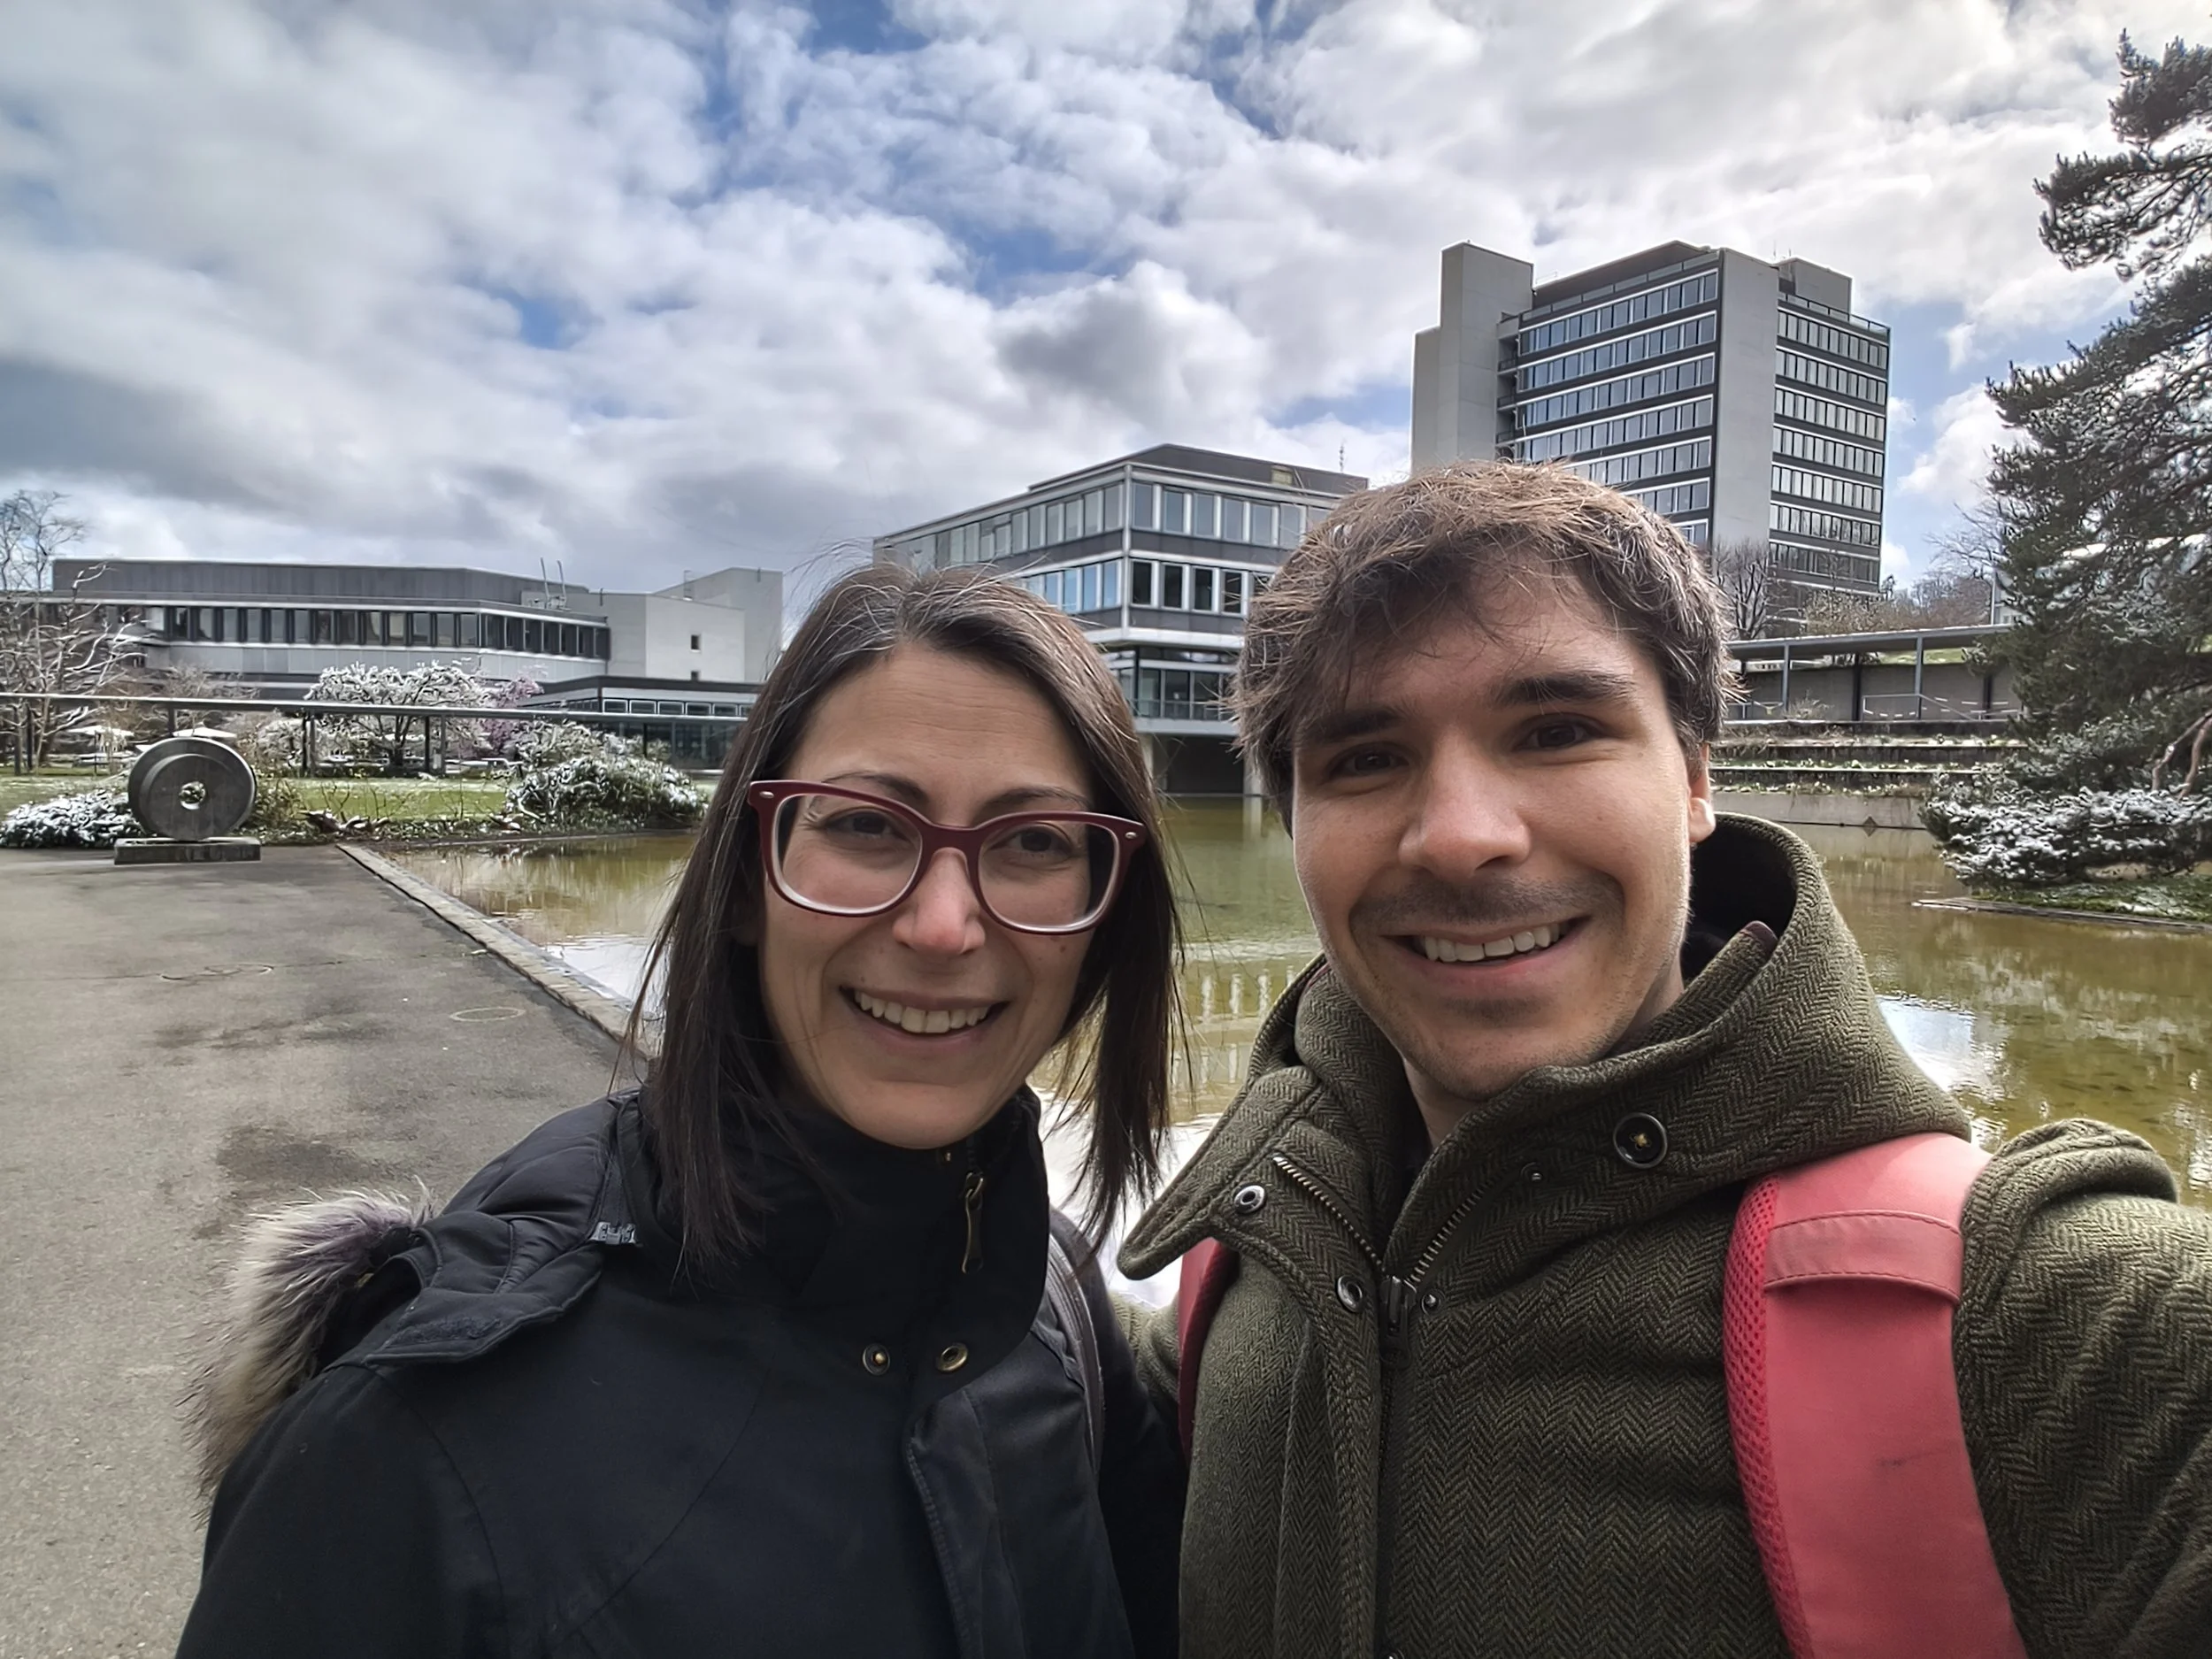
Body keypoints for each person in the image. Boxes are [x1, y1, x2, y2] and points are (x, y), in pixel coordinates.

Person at [1118, 463, 2212, 1658]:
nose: (1465, 835)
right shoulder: (1244, 1260)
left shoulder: (2039, 1316)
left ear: (1695, 775)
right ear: (1296, 824)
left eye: (1556, 730)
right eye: (1365, 759)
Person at [177, 566, 1187, 1656]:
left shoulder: (1055, 1299)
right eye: (863, 826)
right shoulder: (409, 1441)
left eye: (1035, 843)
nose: (943, 927)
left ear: (1103, 917)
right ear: (746, 880)